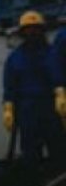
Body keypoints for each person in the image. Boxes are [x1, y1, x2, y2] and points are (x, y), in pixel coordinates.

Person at [4, 10, 65, 168]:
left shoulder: (53, 53)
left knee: (59, 150)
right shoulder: (14, 58)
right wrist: (8, 108)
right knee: (31, 154)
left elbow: (58, 75)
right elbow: (9, 85)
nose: (32, 32)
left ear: (42, 30)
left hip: (51, 108)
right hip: (27, 112)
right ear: (23, 32)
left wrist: (61, 93)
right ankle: (35, 185)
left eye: (36, 28)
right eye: (29, 29)